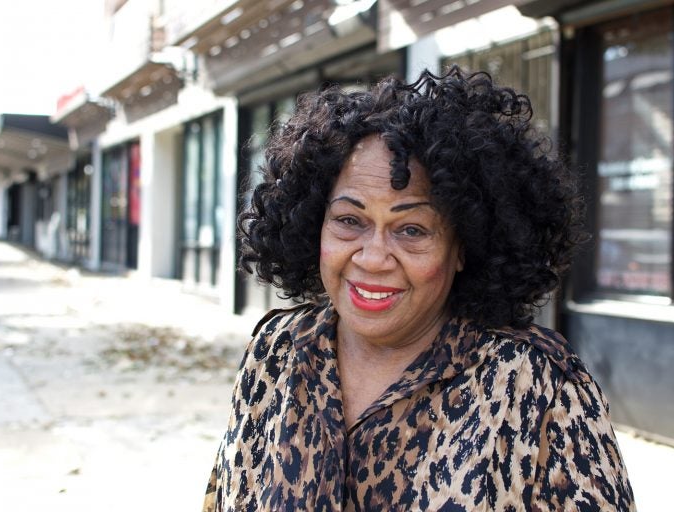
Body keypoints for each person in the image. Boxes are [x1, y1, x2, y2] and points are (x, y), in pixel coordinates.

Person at [203, 67, 636, 511]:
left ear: (463, 246)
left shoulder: (537, 386)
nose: (372, 257)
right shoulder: (275, 353)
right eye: (349, 221)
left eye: (411, 229)